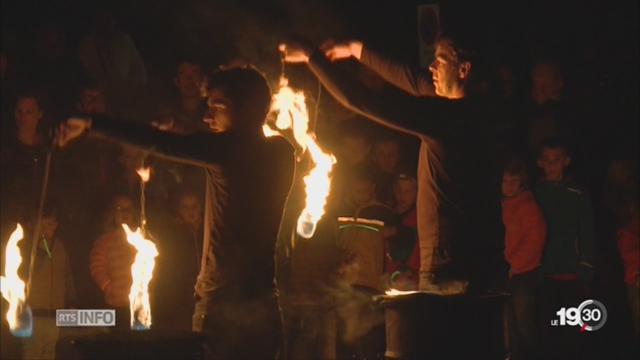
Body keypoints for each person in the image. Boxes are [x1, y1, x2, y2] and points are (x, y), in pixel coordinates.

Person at [58, 65, 294, 359]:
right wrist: (178, 127)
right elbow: (205, 141)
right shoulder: (282, 152)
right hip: (265, 304)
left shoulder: (227, 150)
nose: (208, 118)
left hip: (223, 307)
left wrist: (91, 122)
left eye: (218, 107)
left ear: (248, 108)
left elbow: (164, 144)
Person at [280, 35, 504, 293]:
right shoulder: (473, 112)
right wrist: (355, 49)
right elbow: (408, 77)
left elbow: (364, 101)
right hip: (480, 264)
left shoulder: (451, 119)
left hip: (454, 271)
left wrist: (312, 57)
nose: (431, 68)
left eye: (440, 62)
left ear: (463, 70)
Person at [533, 137, 595, 360]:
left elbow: (587, 233)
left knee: (573, 335)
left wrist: (585, 270)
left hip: (572, 276)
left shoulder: (578, 194)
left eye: (556, 159)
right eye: (547, 160)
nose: (552, 164)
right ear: (540, 162)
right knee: (548, 332)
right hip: (544, 274)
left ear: (566, 161)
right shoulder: (534, 194)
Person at [501, 158, 546, 360]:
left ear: (522, 184)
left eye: (513, 181)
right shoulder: (508, 206)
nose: (508, 186)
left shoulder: (528, 208)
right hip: (514, 272)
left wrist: (516, 265)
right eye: (505, 181)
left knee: (524, 326)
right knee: (512, 325)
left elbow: (534, 241)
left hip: (526, 274)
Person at [21, 205, 77, 360]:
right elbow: (22, 274)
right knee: (32, 353)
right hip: (33, 315)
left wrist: (71, 300)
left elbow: (67, 275)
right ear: (32, 225)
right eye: (42, 225)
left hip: (54, 315)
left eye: (51, 224)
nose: (47, 229)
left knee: (49, 353)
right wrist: (37, 251)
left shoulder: (59, 247)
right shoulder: (27, 247)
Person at [89, 194, 137, 329]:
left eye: (128, 209)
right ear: (112, 213)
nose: (124, 213)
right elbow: (97, 267)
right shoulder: (104, 241)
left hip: (139, 304)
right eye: (120, 208)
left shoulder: (141, 239)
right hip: (116, 304)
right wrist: (109, 287)